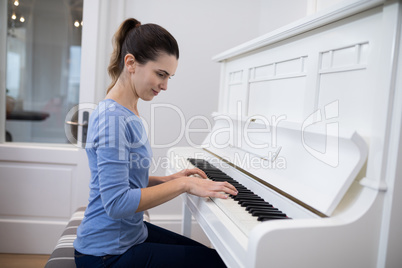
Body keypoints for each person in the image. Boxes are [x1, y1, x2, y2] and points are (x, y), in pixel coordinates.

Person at [73, 18, 237, 268]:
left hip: (130, 236)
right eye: (160, 74)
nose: (165, 85)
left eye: (169, 76)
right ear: (130, 63)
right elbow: (117, 203)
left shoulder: (128, 110)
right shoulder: (112, 119)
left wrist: (171, 179)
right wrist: (185, 184)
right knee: (217, 264)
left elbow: (125, 180)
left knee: (219, 259)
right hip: (105, 254)